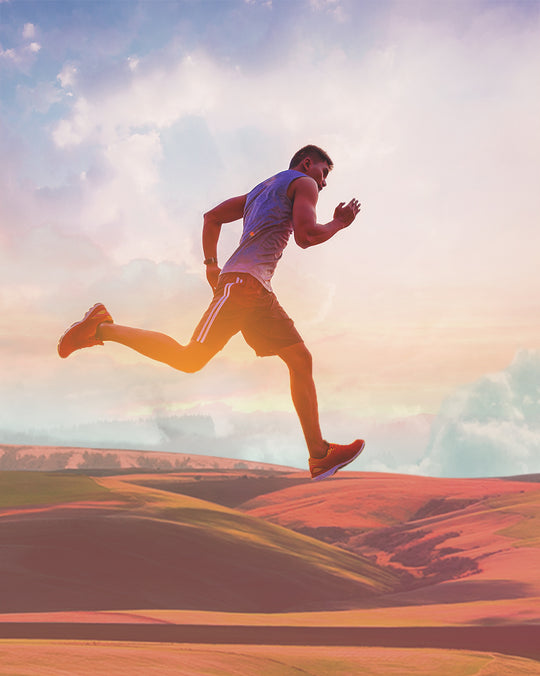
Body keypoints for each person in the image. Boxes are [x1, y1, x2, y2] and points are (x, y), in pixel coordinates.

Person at [58, 144, 365, 480]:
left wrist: (210, 265)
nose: (322, 184)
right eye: (323, 174)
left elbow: (212, 217)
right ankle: (101, 327)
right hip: (243, 287)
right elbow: (306, 236)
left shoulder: (261, 190)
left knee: (300, 360)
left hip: (257, 291)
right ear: (307, 164)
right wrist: (338, 222)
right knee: (190, 359)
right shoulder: (302, 183)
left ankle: (319, 454)